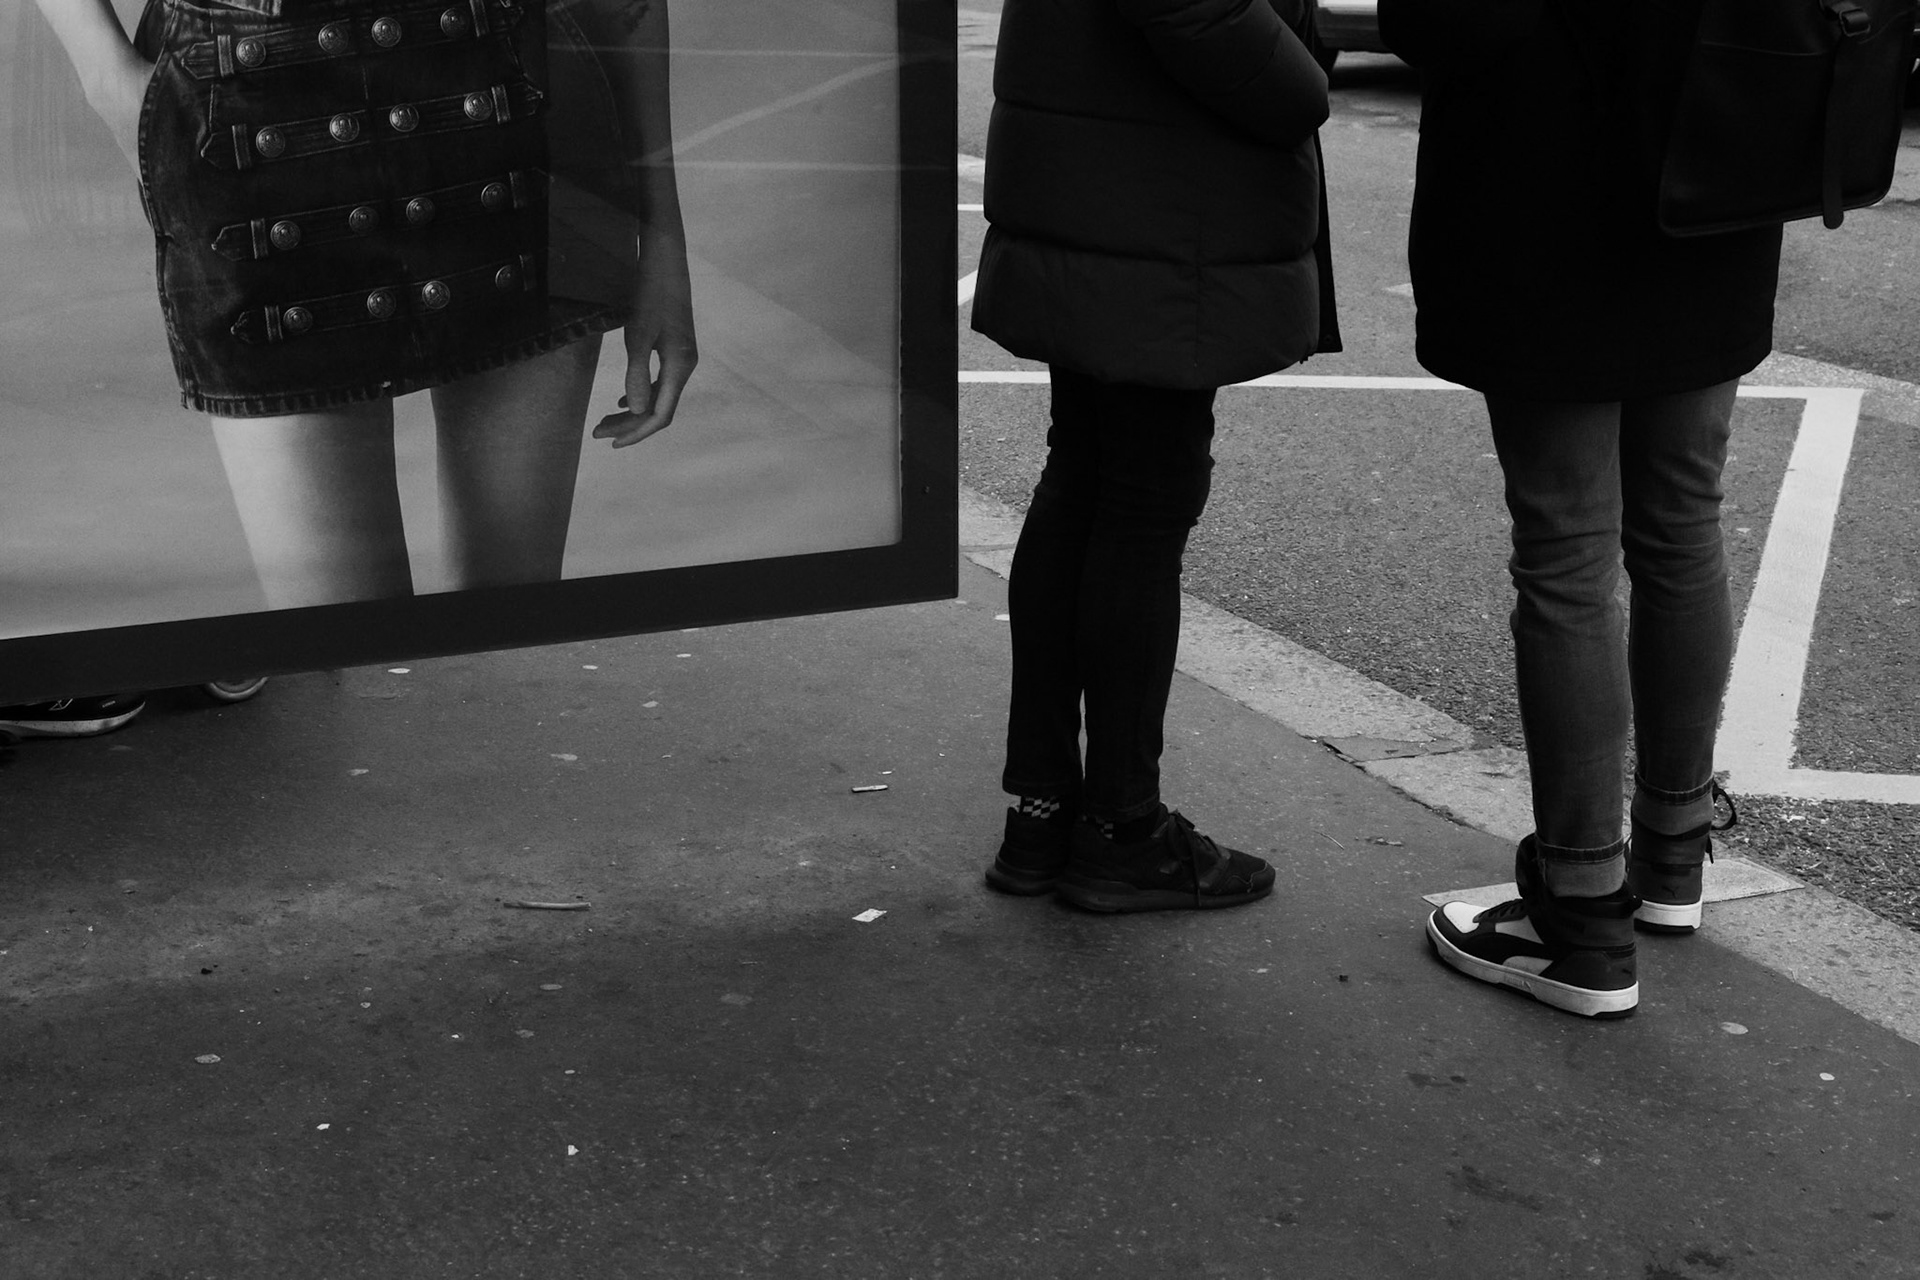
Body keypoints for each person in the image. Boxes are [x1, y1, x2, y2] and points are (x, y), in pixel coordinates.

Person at [33, 0, 697, 609]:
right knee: (348, 673)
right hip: (256, 105)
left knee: (512, 645)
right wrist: (108, 76)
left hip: (516, 93)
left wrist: (662, 236)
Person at [1380, 0, 1777, 1016]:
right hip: (1718, 162)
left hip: (1544, 184)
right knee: (1684, 520)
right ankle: (1673, 856)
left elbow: (1437, 20)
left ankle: (1583, 908)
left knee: (1566, 550)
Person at [970, 0, 1339, 912]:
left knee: (1084, 476)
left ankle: (1047, 812)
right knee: (1140, 497)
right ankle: (1121, 829)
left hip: (1101, 177)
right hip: (1168, 204)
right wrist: (1300, 82)